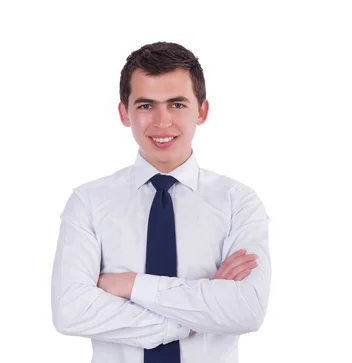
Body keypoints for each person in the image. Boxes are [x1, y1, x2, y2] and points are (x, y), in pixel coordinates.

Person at [51, 42, 271, 363]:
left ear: (202, 111)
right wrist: (199, 311)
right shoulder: (88, 202)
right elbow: (70, 311)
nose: (162, 121)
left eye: (177, 104)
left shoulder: (238, 202)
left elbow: (247, 310)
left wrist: (129, 285)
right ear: (124, 113)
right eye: (145, 106)